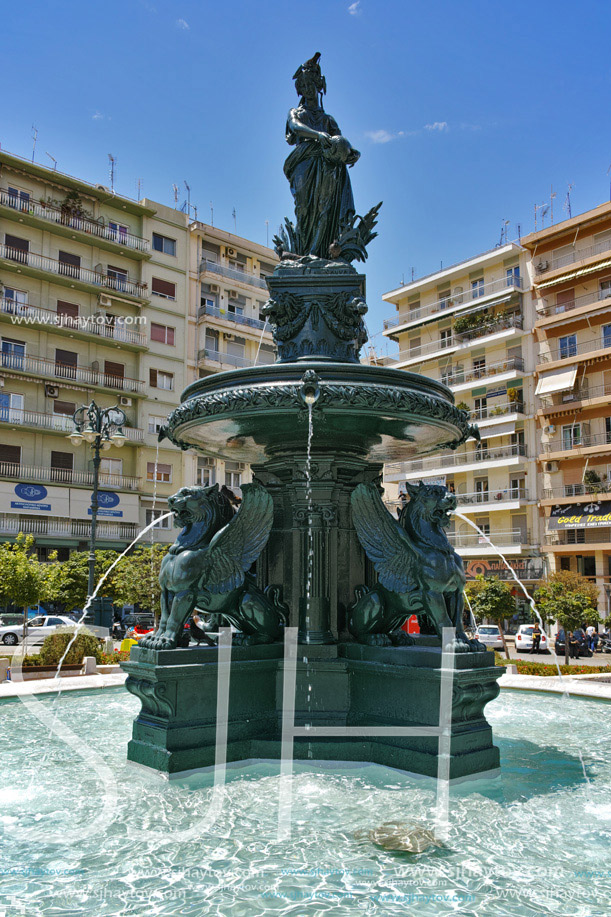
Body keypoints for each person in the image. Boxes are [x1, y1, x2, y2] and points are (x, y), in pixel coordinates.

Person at [284, 53, 360, 258]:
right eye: (304, 86)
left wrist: (351, 153)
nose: (308, 89)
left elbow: (341, 141)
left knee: (324, 207)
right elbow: (295, 127)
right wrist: (317, 135)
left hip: (327, 166)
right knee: (304, 208)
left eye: (311, 85)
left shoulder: (328, 120)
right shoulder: (296, 112)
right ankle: (303, 252)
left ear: (318, 85)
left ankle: (316, 253)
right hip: (303, 163)